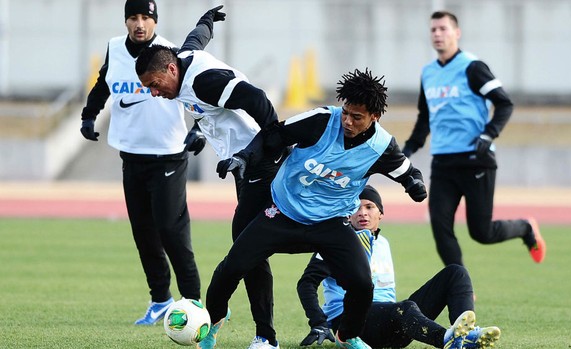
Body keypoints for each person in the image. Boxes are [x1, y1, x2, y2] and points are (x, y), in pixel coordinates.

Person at [201, 68, 429, 349]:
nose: (347, 120)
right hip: (284, 212)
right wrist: (245, 157)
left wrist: (416, 186)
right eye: (346, 112)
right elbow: (273, 134)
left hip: (331, 222)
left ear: (374, 117)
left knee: (362, 284)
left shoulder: (382, 147)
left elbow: (408, 172)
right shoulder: (321, 120)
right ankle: (213, 322)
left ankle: (347, 335)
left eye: (356, 117)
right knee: (231, 268)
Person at [134, 13, 288, 347]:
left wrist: (266, 149)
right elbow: (197, 39)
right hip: (244, 166)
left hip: (261, 163)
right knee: (249, 245)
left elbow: (258, 100)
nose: (154, 93)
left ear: (170, 69)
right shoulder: (182, 61)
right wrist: (207, 21)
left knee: (249, 246)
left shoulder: (204, 81)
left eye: (154, 85)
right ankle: (228, 318)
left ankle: (263, 336)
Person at [79, 0, 225, 325]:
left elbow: (198, 91)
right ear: (126, 21)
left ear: (155, 20)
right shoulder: (114, 48)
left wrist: (199, 129)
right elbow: (104, 83)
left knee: (171, 231)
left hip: (168, 155)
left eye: (146, 17)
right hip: (131, 155)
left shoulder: (170, 52)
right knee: (143, 233)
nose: (139, 24)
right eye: (133, 17)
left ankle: (193, 301)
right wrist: (90, 115)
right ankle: (160, 300)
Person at [401, 11, 546, 267]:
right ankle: (461, 288)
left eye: (443, 29)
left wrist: (489, 133)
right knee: (439, 227)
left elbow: (505, 103)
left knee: (481, 233)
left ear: (456, 33)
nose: (437, 34)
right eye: (433, 30)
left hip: (476, 160)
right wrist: (409, 148)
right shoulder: (428, 73)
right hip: (443, 162)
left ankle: (525, 228)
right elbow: (425, 117)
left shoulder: (473, 67)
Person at [297, 185, 501, 349]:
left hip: (389, 322)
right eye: (355, 207)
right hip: (351, 323)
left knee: (456, 272)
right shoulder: (336, 244)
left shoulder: (382, 242)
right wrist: (319, 322)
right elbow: (307, 283)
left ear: (381, 214)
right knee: (406, 308)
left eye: (369, 207)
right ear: (346, 214)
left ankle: (467, 333)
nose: (362, 213)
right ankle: (447, 340)